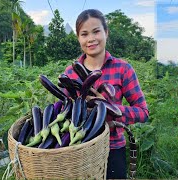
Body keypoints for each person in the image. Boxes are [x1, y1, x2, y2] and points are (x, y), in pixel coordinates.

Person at [63, 9, 149, 179]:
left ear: (106, 33)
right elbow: (63, 111)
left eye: (96, 31)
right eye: (84, 34)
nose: (91, 39)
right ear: (78, 38)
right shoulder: (70, 73)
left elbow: (143, 112)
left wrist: (109, 109)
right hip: (78, 148)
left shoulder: (123, 69)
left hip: (113, 147)